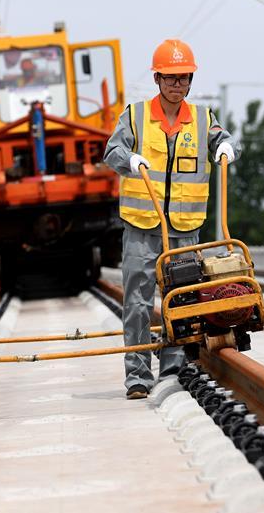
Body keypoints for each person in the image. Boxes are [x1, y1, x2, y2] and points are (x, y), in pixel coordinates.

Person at [103, 38, 240, 400]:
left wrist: (227, 146)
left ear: (190, 81)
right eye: (170, 77)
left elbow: (223, 140)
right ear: (157, 79)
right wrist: (129, 160)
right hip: (142, 225)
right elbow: (112, 149)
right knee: (137, 302)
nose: (177, 84)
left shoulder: (202, 119)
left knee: (180, 300)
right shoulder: (134, 116)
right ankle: (137, 376)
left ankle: (173, 367)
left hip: (184, 227)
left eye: (183, 78)